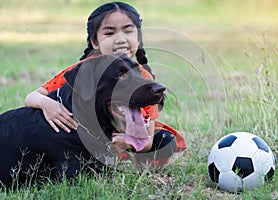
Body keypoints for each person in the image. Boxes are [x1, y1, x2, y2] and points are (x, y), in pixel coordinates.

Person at [25, 1, 187, 168]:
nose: (120, 39)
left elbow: (148, 140)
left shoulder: (145, 79)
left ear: (138, 38)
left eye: (128, 31)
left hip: (122, 142)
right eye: (109, 33)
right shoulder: (85, 71)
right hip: (86, 140)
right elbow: (32, 97)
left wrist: (129, 142)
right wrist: (48, 105)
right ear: (95, 42)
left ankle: (141, 164)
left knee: (165, 140)